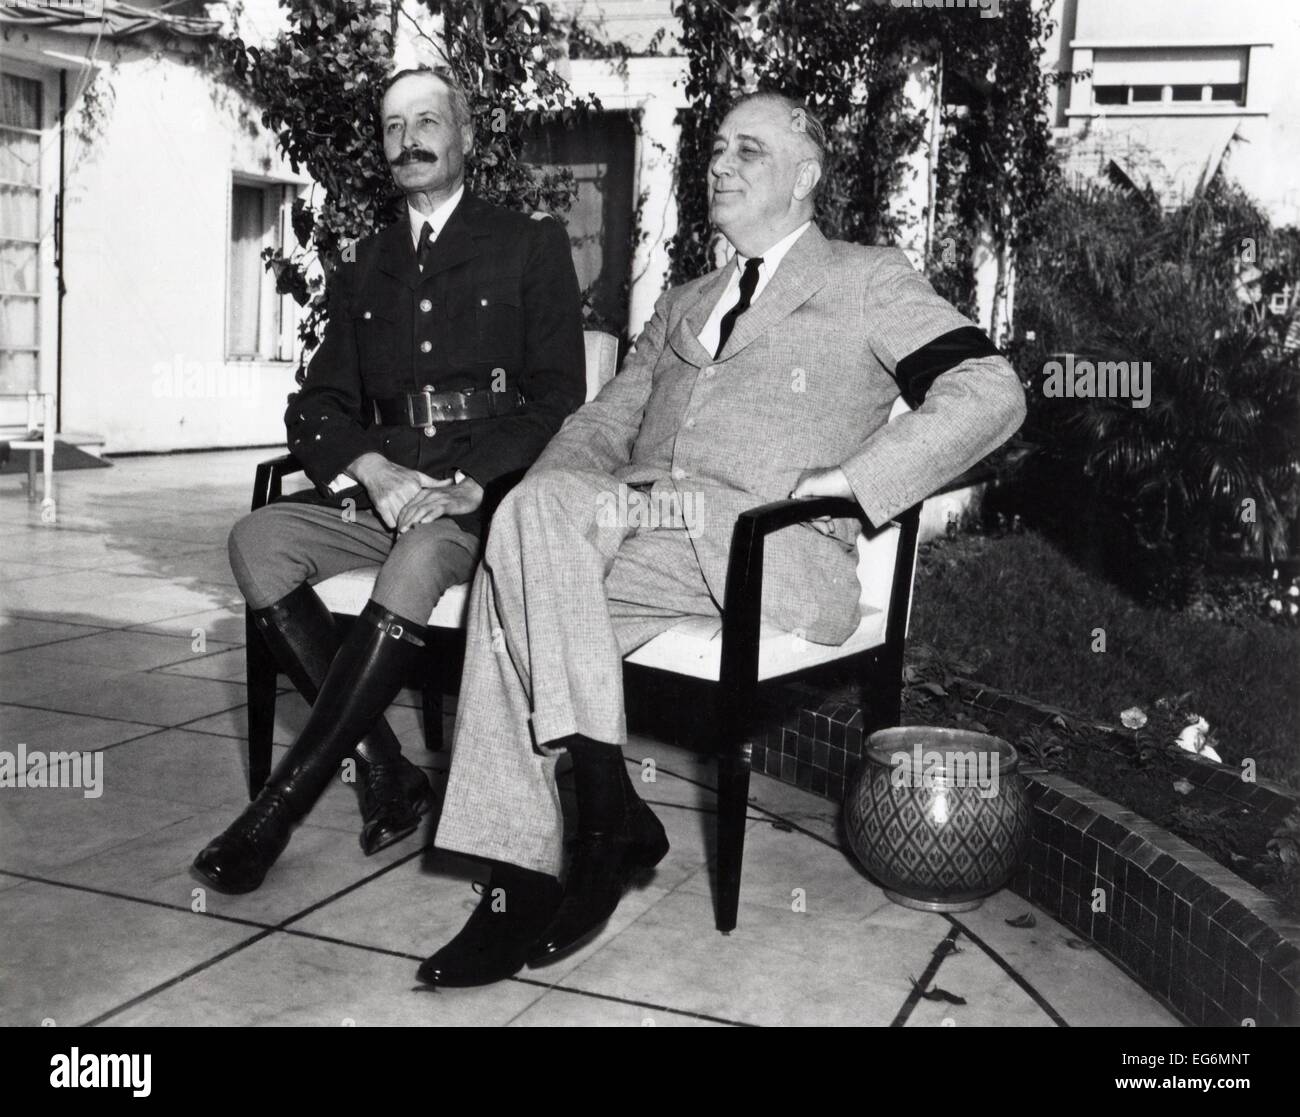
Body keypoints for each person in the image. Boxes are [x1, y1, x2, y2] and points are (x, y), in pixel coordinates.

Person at [415, 91, 1027, 986]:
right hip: (647, 527)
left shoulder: (865, 278)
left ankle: (592, 834)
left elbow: (989, 387)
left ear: (807, 177)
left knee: (520, 571)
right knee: (525, 539)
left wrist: (856, 485)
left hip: (767, 543)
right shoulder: (685, 300)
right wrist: (543, 492)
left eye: (750, 150)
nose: (721, 165)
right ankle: (564, 837)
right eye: (716, 151)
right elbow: (603, 425)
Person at [191, 65, 584, 894]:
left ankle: (275, 813)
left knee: (411, 563)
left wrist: (473, 480)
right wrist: (370, 469)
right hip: (388, 496)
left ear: (466, 135)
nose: (410, 139)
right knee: (257, 539)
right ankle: (388, 766)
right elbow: (318, 405)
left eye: (428, 121)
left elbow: (560, 398)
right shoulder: (367, 263)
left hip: (481, 504)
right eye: (394, 127)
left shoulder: (527, 243)